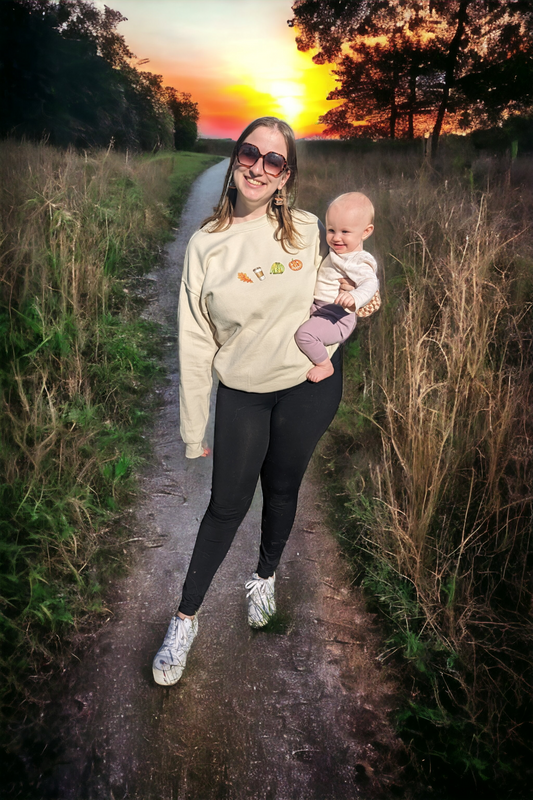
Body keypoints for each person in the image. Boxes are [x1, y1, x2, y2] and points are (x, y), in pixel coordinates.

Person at [152, 117, 347, 687]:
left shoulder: (310, 230)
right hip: (244, 393)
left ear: (286, 177)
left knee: (283, 488)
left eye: (275, 161)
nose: (259, 167)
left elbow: (350, 287)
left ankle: (264, 579)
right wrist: (195, 425)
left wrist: (335, 341)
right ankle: (184, 620)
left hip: (309, 386)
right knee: (226, 505)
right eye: (250, 153)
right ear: (236, 158)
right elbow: (194, 342)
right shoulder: (206, 245)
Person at [295, 192, 380, 383]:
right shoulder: (338, 251)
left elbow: (370, 283)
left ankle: (325, 365)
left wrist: (355, 297)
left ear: (365, 232)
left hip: (337, 317)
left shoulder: (358, 261)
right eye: (331, 230)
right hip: (321, 309)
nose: (336, 238)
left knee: (305, 334)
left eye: (345, 232)